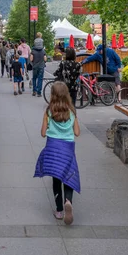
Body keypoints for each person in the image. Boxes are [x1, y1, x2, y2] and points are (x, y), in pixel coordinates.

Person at [34, 81, 80, 225]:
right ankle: (68, 201)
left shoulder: (49, 111)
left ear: (52, 95)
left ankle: (59, 210)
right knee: (69, 176)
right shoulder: (72, 112)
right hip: (68, 150)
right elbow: (77, 132)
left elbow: (42, 133)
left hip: (53, 149)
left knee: (56, 179)